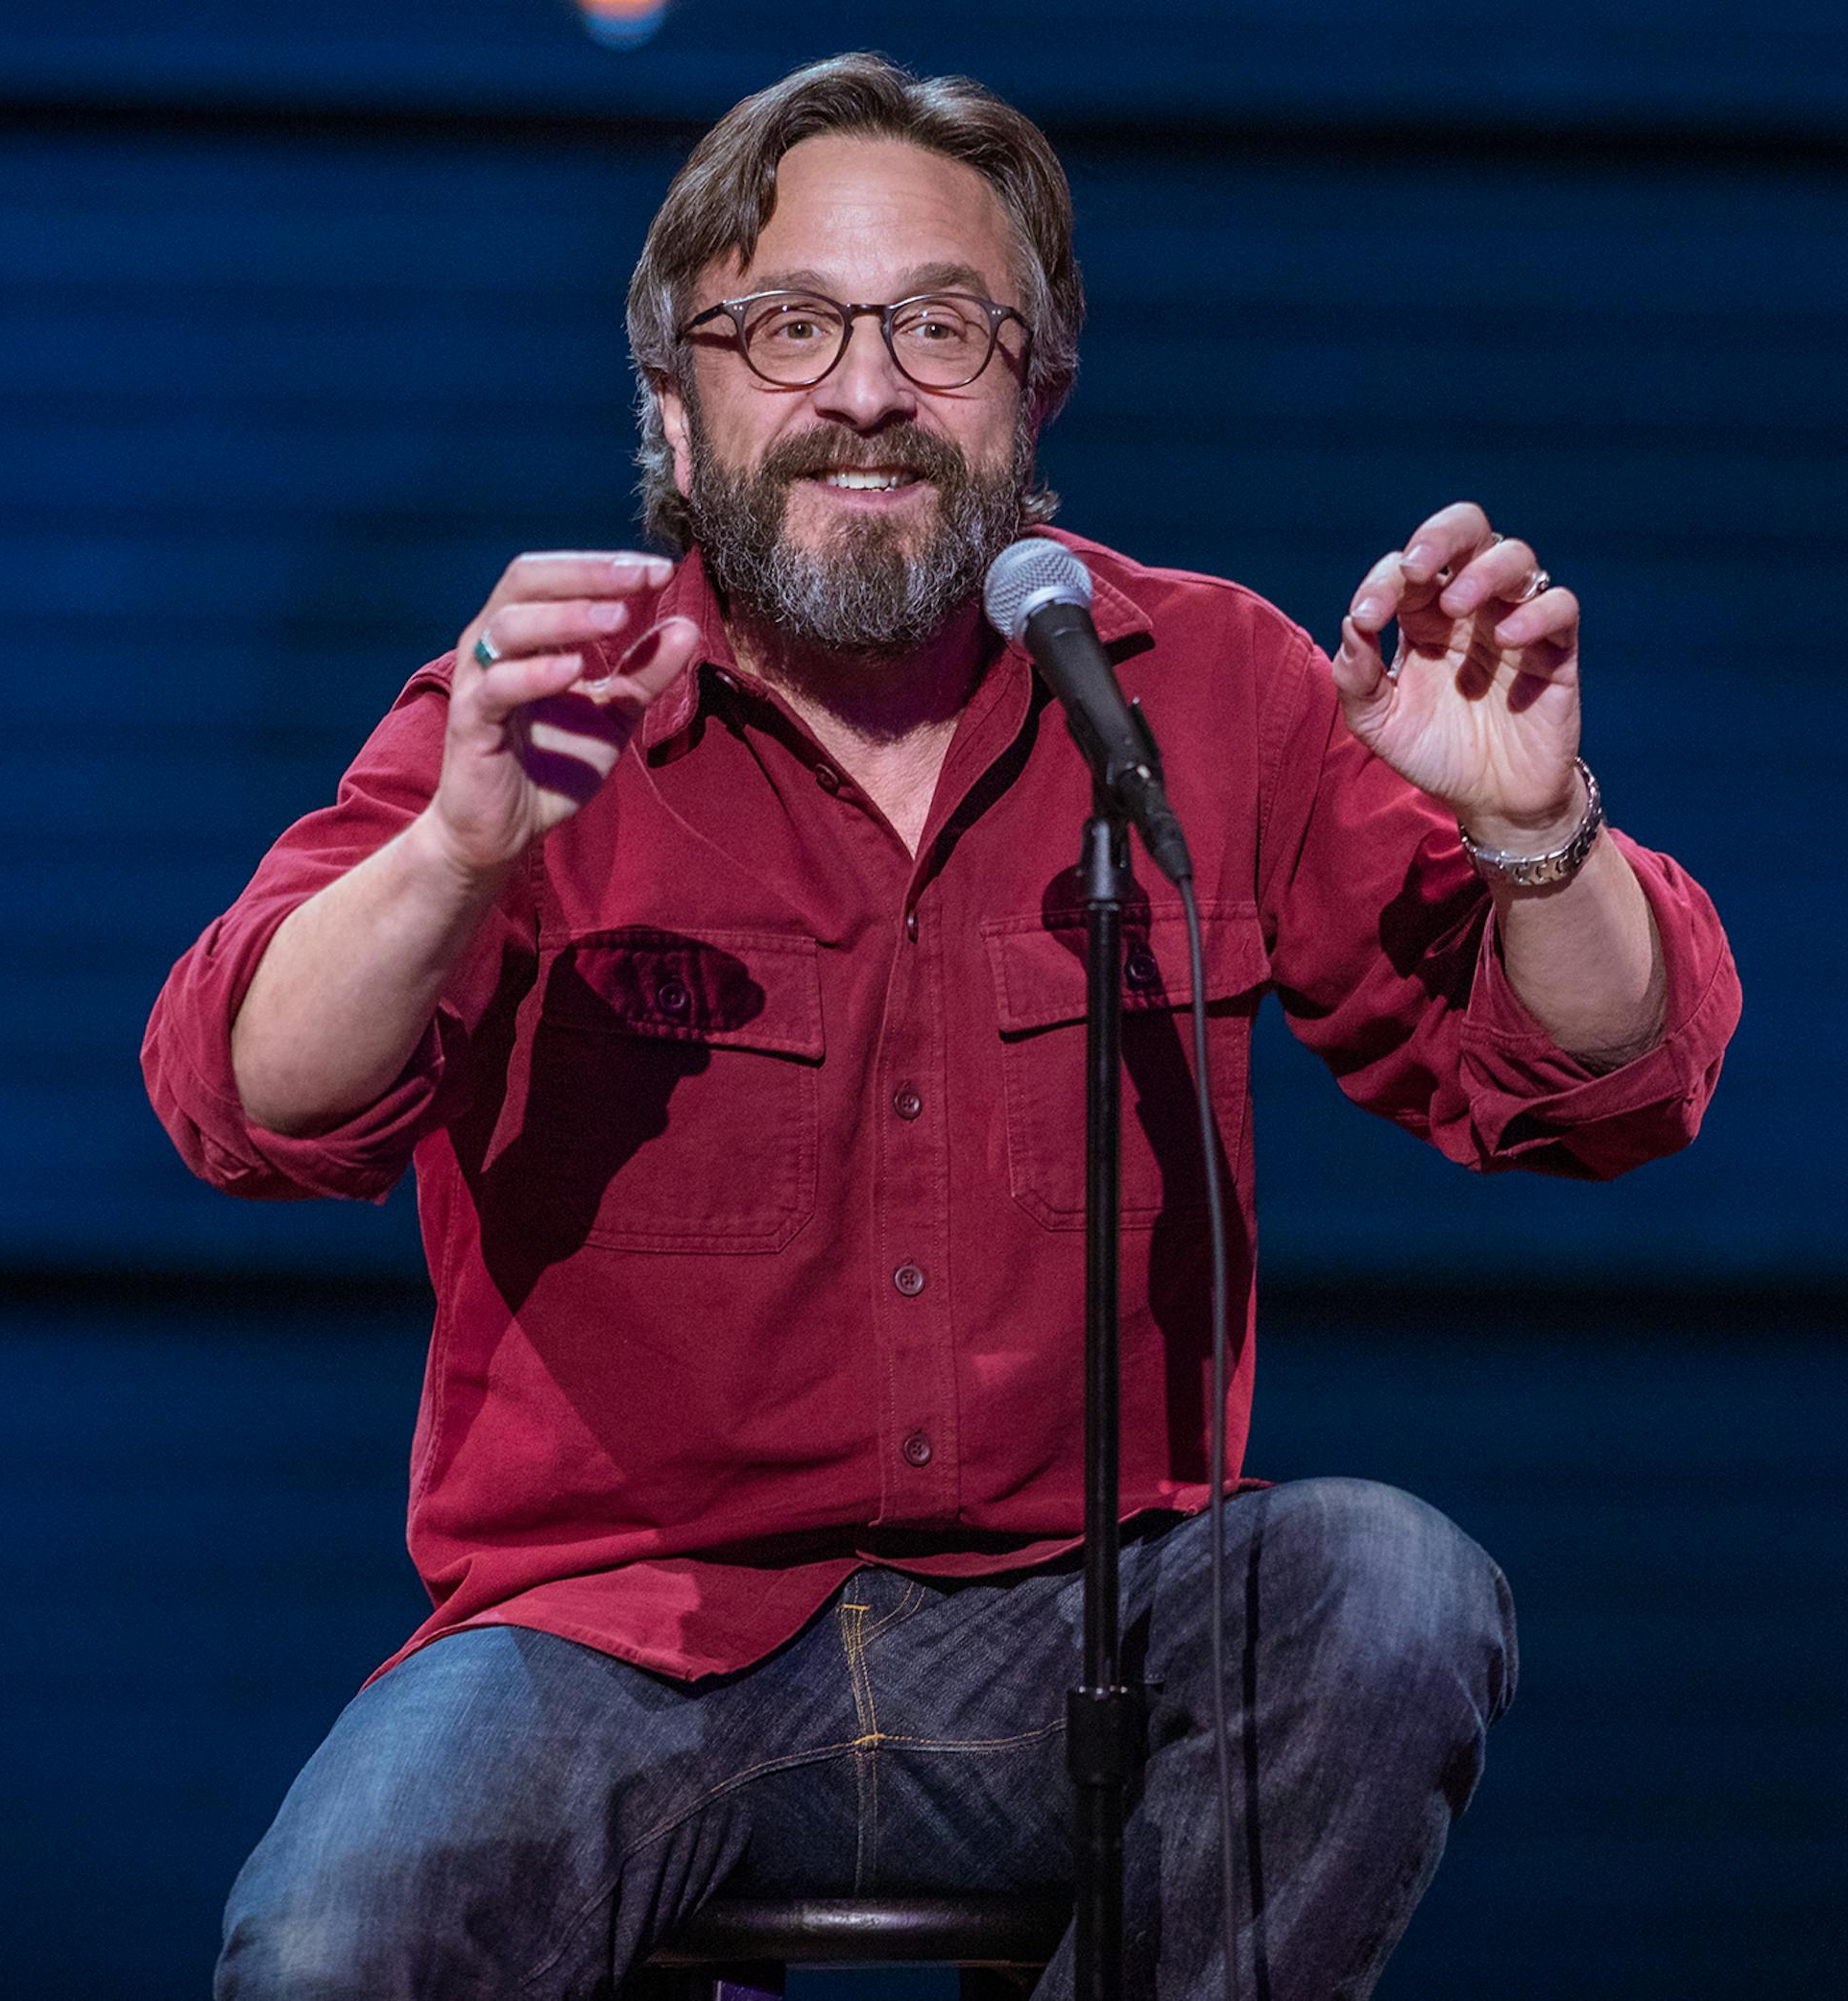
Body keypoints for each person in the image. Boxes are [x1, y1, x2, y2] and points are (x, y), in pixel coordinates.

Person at [143, 52, 1740, 2001]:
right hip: (618, 1643)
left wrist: (1530, 834)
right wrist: (454, 857)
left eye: (944, 326)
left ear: (1038, 388)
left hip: (1072, 1630)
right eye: (792, 326)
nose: (870, 389)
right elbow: (236, 1098)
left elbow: (1605, 1082)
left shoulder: (1207, 686)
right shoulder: (545, 712)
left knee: (1394, 1589)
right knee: (330, 1939)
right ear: (678, 395)